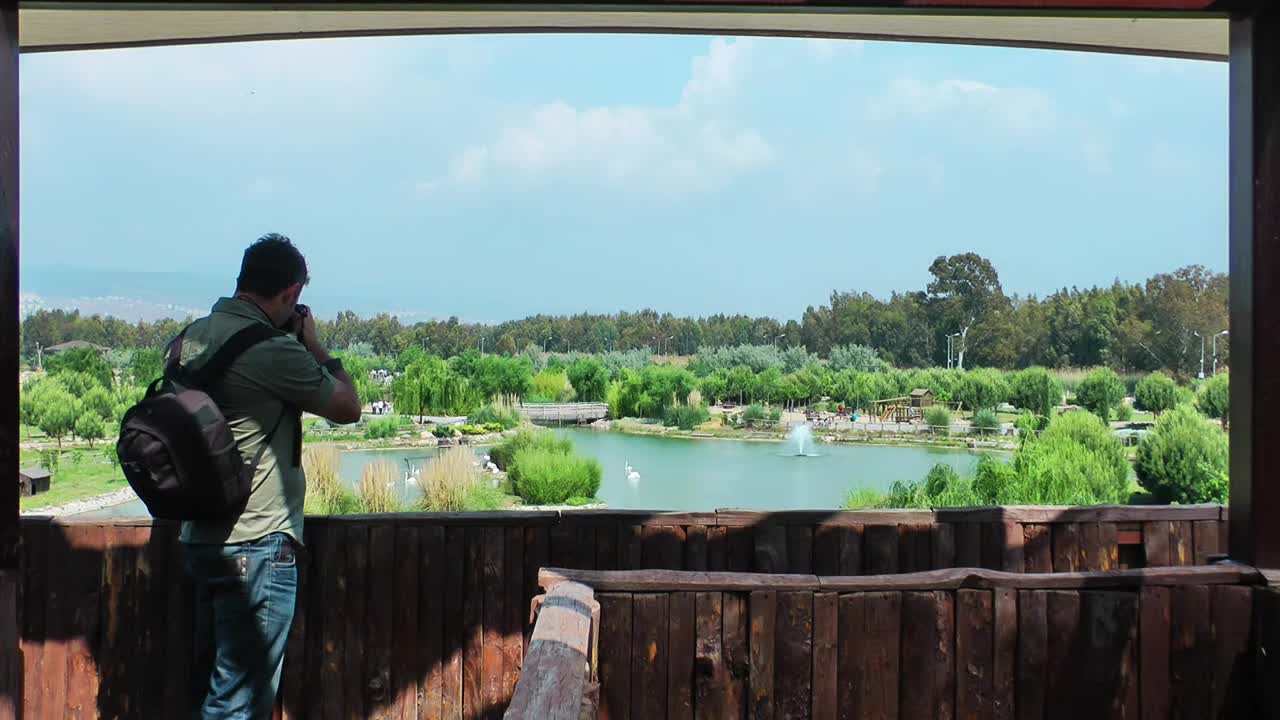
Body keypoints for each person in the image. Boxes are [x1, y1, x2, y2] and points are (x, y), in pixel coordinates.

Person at [180, 234, 361, 719]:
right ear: (291, 294)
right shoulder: (273, 352)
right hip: (255, 545)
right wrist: (316, 347)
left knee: (213, 687)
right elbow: (348, 407)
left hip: (198, 538)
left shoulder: (189, 339)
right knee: (238, 703)